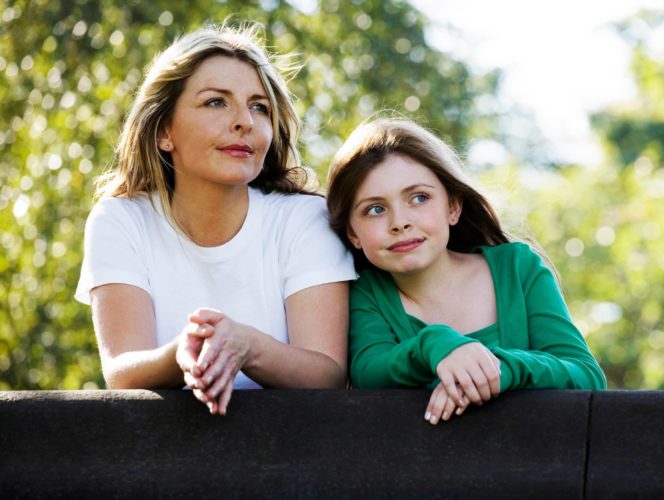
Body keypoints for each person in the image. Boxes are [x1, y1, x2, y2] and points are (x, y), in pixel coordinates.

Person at [75, 23, 356, 415]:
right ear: (163, 132)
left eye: (259, 107)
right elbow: (122, 372)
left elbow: (328, 374)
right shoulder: (118, 221)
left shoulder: (305, 219)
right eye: (216, 102)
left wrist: (247, 346)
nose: (245, 121)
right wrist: (181, 353)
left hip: (290, 454)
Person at [326, 118, 606, 425]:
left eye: (419, 198)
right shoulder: (365, 293)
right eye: (375, 209)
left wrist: (495, 370)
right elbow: (369, 372)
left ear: (453, 207)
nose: (399, 222)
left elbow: (586, 375)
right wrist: (436, 345)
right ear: (352, 233)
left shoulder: (518, 268)